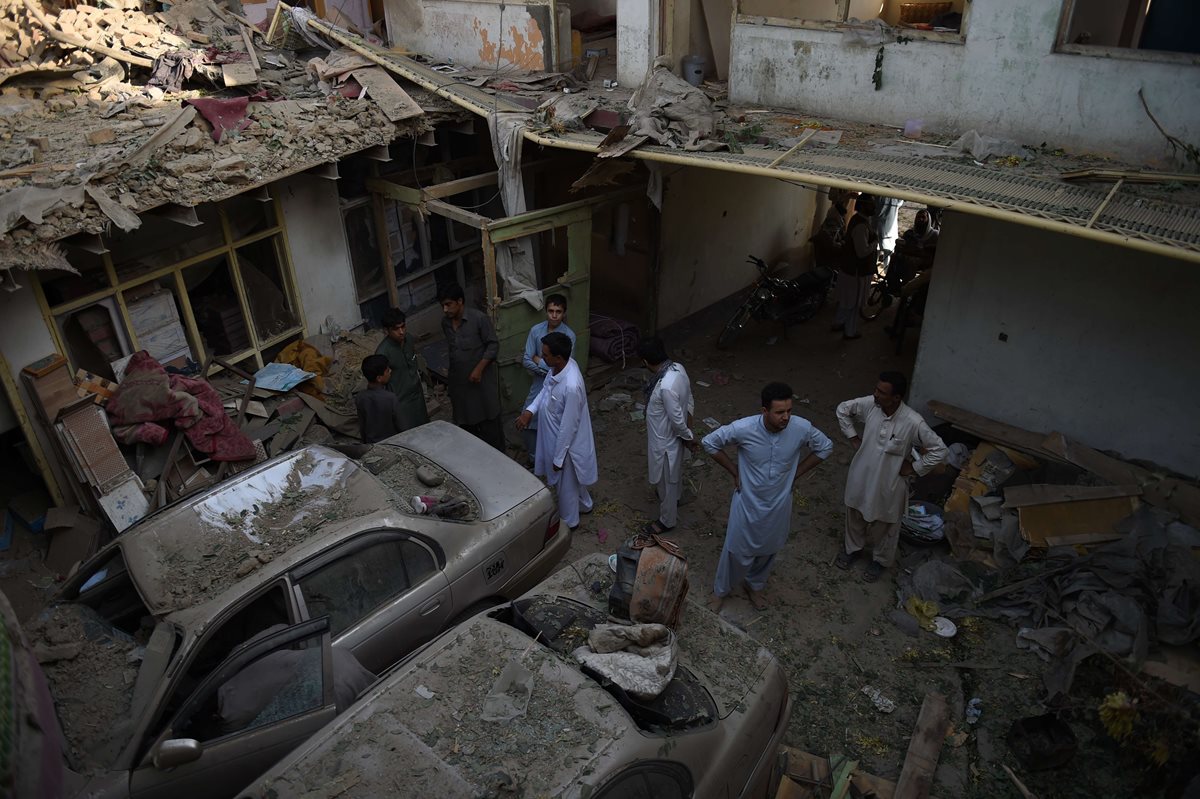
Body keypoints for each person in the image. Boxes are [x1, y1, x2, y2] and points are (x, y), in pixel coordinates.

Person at [702, 382, 833, 612]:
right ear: (764, 411)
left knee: (769, 549)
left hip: (779, 503)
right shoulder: (743, 428)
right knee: (735, 549)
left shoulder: (801, 428)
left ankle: (755, 585)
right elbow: (709, 442)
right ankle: (721, 590)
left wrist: (796, 475)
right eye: (780, 412)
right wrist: (735, 471)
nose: (786, 418)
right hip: (747, 501)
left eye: (789, 411)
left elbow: (825, 447)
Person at [835, 372, 948, 582]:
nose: (875, 394)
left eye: (881, 392)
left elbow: (939, 450)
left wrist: (915, 467)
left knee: (886, 524)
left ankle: (880, 561)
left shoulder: (913, 421)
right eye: (876, 389)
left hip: (890, 482)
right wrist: (852, 437)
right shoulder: (871, 405)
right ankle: (853, 550)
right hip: (862, 473)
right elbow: (843, 409)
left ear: (896, 398)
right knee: (855, 513)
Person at [516, 332, 597, 530]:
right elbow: (545, 390)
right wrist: (530, 411)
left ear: (558, 358)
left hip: (566, 447)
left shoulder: (571, 386)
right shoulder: (557, 369)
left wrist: (558, 458)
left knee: (565, 486)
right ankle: (585, 505)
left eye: (545, 355)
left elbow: (568, 428)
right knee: (572, 480)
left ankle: (570, 523)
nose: (542, 358)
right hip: (552, 439)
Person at [639, 336, 694, 535]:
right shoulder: (678, 369)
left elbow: (677, 420)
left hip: (665, 443)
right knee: (673, 479)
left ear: (645, 362)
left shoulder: (666, 386)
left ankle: (666, 520)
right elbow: (689, 399)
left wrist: (688, 437)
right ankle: (676, 497)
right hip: (669, 439)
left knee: (667, 483)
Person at [440, 283, 504, 451]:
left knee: (489, 422)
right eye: (443, 306)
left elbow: (493, 346)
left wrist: (479, 369)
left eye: (448, 304)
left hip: (480, 383)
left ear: (460, 301)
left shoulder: (479, 319)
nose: (445, 310)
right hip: (460, 383)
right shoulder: (446, 323)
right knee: (466, 423)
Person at [520, 294, 576, 461]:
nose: (554, 315)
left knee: (555, 421)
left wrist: (539, 360)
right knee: (529, 418)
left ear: (564, 313)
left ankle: (553, 457)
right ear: (546, 311)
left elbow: (564, 367)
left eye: (558, 311)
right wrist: (547, 366)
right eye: (551, 311)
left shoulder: (569, 336)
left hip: (558, 385)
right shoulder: (536, 331)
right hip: (538, 383)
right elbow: (526, 360)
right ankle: (533, 457)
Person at [374, 307, 429, 432]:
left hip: (417, 395)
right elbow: (379, 383)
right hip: (401, 401)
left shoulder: (409, 339)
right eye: (396, 329)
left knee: (425, 429)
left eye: (403, 327)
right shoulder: (383, 352)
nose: (401, 332)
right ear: (387, 330)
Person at [832, 193, 878, 341]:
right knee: (853, 303)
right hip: (855, 271)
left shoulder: (859, 221)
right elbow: (862, 252)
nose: (873, 206)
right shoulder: (861, 226)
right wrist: (874, 243)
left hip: (850, 269)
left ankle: (838, 323)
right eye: (871, 204)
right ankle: (849, 332)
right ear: (863, 206)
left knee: (847, 301)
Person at [887, 208, 939, 294]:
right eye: (918, 217)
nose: (920, 219)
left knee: (912, 261)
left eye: (923, 217)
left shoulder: (934, 235)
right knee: (894, 256)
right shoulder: (910, 233)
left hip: (925, 261)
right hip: (909, 256)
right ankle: (891, 283)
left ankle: (906, 287)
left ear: (928, 219)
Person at [355, 354, 405, 444]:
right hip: (392, 443)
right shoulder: (390, 398)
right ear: (379, 378)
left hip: (372, 443)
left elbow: (362, 425)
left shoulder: (360, 397)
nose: (390, 371)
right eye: (387, 370)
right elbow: (402, 426)